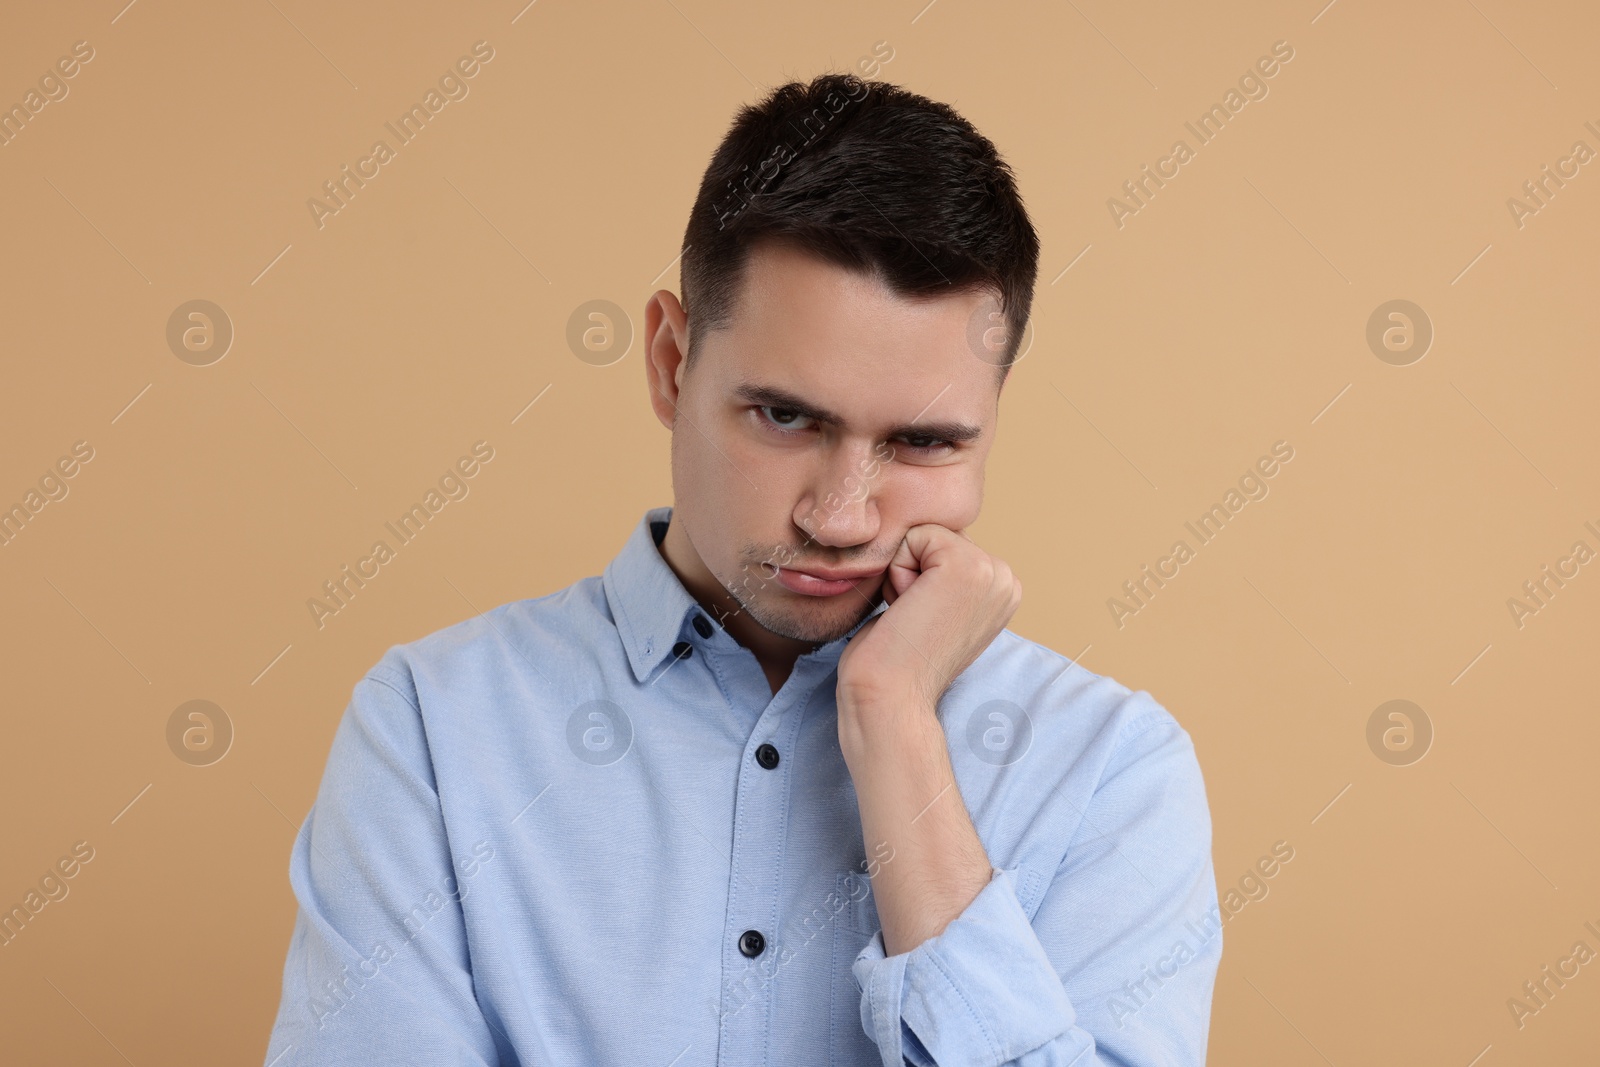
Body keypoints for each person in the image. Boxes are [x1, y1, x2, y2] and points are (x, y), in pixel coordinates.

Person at [263, 72, 1220, 1067]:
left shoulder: (1114, 768)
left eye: (925, 441)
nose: (841, 516)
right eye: (786, 416)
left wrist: (894, 725)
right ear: (672, 362)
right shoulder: (432, 725)